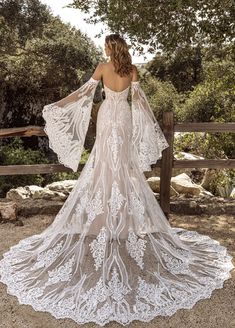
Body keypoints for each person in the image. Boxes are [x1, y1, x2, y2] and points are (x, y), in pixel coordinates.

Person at [0, 33, 234, 326]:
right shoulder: (132, 70)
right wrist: (149, 130)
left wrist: (57, 106)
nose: (104, 49)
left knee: (105, 166)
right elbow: (141, 103)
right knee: (123, 167)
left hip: (108, 116)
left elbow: (83, 94)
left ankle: (107, 220)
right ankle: (121, 219)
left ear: (111, 48)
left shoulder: (101, 67)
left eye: (106, 45)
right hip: (123, 117)